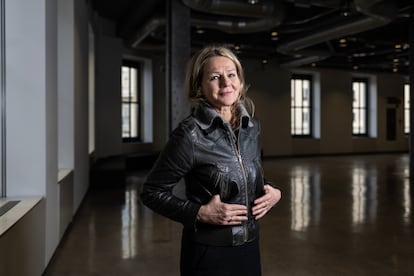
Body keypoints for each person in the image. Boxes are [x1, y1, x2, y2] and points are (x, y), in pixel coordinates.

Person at [140, 45, 281, 276]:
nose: (226, 83)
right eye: (215, 77)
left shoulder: (252, 127)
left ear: (240, 79)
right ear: (199, 86)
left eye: (231, 74)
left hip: (249, 248)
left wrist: (274, 191)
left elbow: (246, 173)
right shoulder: (189, 135)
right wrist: (199, 213)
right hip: (209, 254)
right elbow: (152, 192)